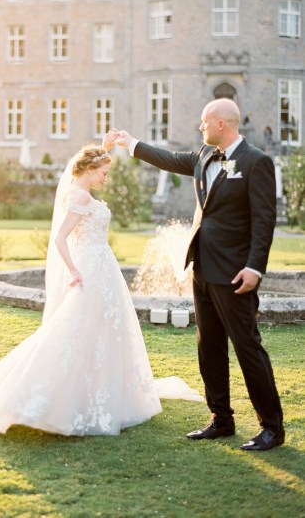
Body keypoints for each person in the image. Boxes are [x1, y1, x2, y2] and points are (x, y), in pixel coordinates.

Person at [0, 144, 202, 437]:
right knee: (72, 329)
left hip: (101, 267)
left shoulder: (80, 191)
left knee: (98, 331)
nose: (106, 178)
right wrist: (75, 270)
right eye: (103, 172)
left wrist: (104, 146)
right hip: (89, 270)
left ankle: (97, 391)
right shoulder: (79, 195)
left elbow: (84, 213)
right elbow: (61, 238)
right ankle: (31, 395)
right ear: (88, 170)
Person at [110, 98, 284, 451]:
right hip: (201, 267)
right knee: (209, 347)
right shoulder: (204, 156)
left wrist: (254, 268)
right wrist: (130, 143)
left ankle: (272, 428)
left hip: (236, 274)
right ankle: (221, 419)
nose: (199, 126)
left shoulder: (256, 162)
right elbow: (171, 159)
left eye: (204, 122)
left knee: (248, 347)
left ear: (222, 124)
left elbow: (264, 220)